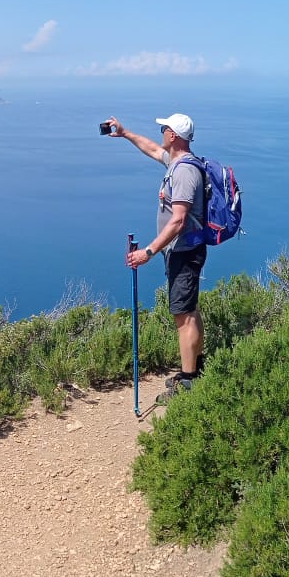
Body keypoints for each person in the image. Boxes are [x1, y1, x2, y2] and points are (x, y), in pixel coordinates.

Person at [107, 113, 206, 402]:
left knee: (183, 317)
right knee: (190, 310)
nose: (161, 132)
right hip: (182, 251)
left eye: (164, 128)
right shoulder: (176, 162)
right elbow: (152, 149)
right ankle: (197, 367)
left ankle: (188, 382)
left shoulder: (185, 172)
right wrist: (125, 134)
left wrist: (148, 252)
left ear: (173, 135)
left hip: (184, 253)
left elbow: (177, 221)